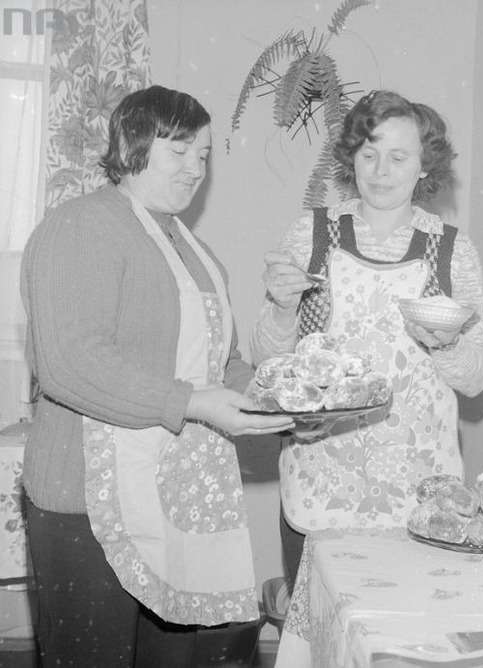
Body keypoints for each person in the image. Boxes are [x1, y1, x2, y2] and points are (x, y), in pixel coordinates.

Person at [20, 85, 294, 667]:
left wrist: (274, 399)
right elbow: (70, 363)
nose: (196, 168)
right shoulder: (80, 226)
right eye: (180, 150)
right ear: (131, 145)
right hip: (84, 504)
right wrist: (193, 402)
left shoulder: (197, 252)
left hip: (169, 499)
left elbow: (221, 363)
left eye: (204, 155)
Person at [250, 90, 483, 587]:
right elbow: (266, 361)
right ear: (352, 157)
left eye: (398, 157)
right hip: (319, 477)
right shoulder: (312, 234)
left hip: (420, 486)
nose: (381, 171)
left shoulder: (453, 251)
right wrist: (282, 305)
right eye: (369, 154)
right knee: (318, 623)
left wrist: (445, 344)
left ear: (424, 166)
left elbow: (477, 380)